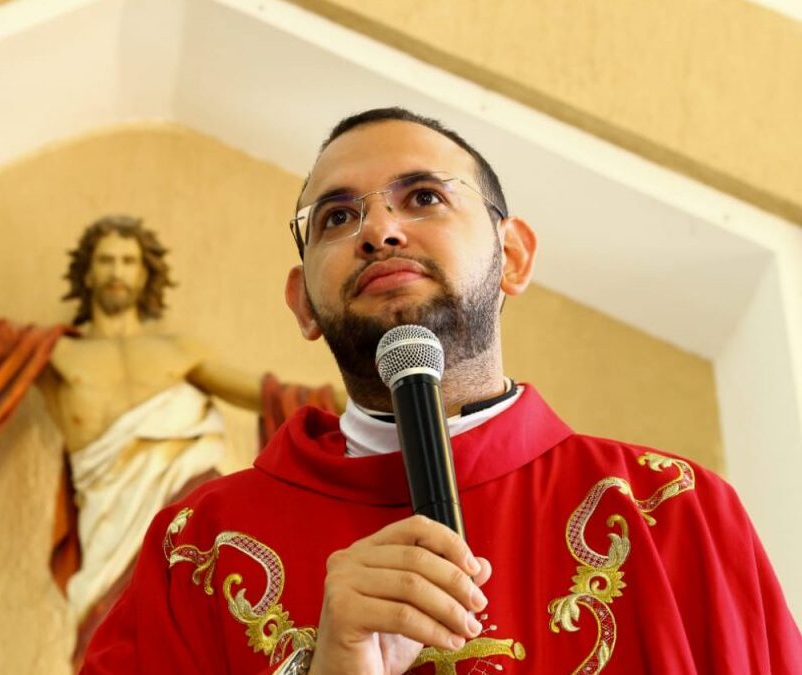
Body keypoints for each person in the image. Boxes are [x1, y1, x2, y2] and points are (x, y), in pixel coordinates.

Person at [79, 107, 802, 674]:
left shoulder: (673, 510)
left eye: (422, 196)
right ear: (302, 304)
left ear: (513, 255)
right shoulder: (197, 548)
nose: (380, 230)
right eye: (337, 217)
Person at [0, 176, 339, 662]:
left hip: (191, 528)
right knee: (116, 648)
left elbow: (280, 396)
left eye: (128, 260)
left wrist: (395, 394)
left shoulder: (180, 353)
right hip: (109, 537)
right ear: (89, 272)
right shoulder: (57, 355)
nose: (117, 270)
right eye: (106, 260)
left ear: (144, 273)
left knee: (210, 644)